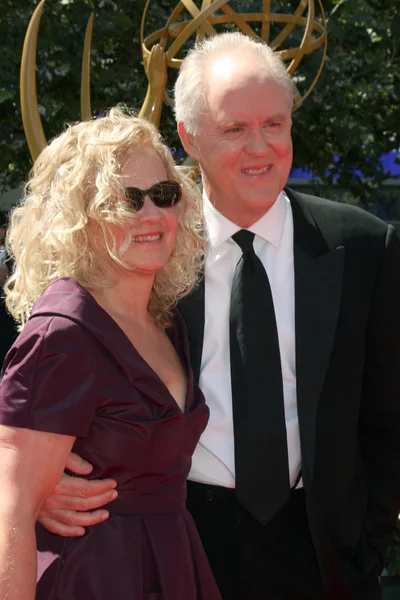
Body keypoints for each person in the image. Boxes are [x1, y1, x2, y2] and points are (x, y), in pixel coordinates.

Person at [38, 33, 400, 600]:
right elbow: (37, 367)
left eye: (274, 125)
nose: (260, 148)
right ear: (190, 137)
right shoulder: (144, 242)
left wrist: (366, 543)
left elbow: (387, 415)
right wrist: (36, 477)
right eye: (235, 129)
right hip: (176, 541)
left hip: (325, 557)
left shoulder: (363, 246)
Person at [0, 107, 222, 600]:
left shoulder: (166, 321)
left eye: (163, 196)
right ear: (81, 216)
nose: (151, 215)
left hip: (173, 565)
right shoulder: (63, 333)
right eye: (127, 199)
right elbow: (9, 509)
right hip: (92, 578)